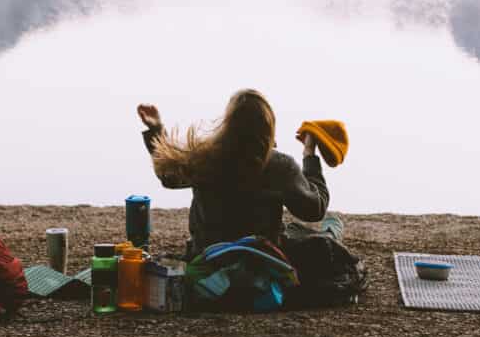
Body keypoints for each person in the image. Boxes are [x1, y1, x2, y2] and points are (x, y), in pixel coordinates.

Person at [136, 89, 333, 258]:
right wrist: (309, 155)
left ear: (228, 122)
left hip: (207, 256)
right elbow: (313, 210)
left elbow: (169, 176)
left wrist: (156, 129)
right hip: (263, 260)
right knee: (330, 227)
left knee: (299, 232)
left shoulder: (206, 157)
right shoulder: (280, 166)